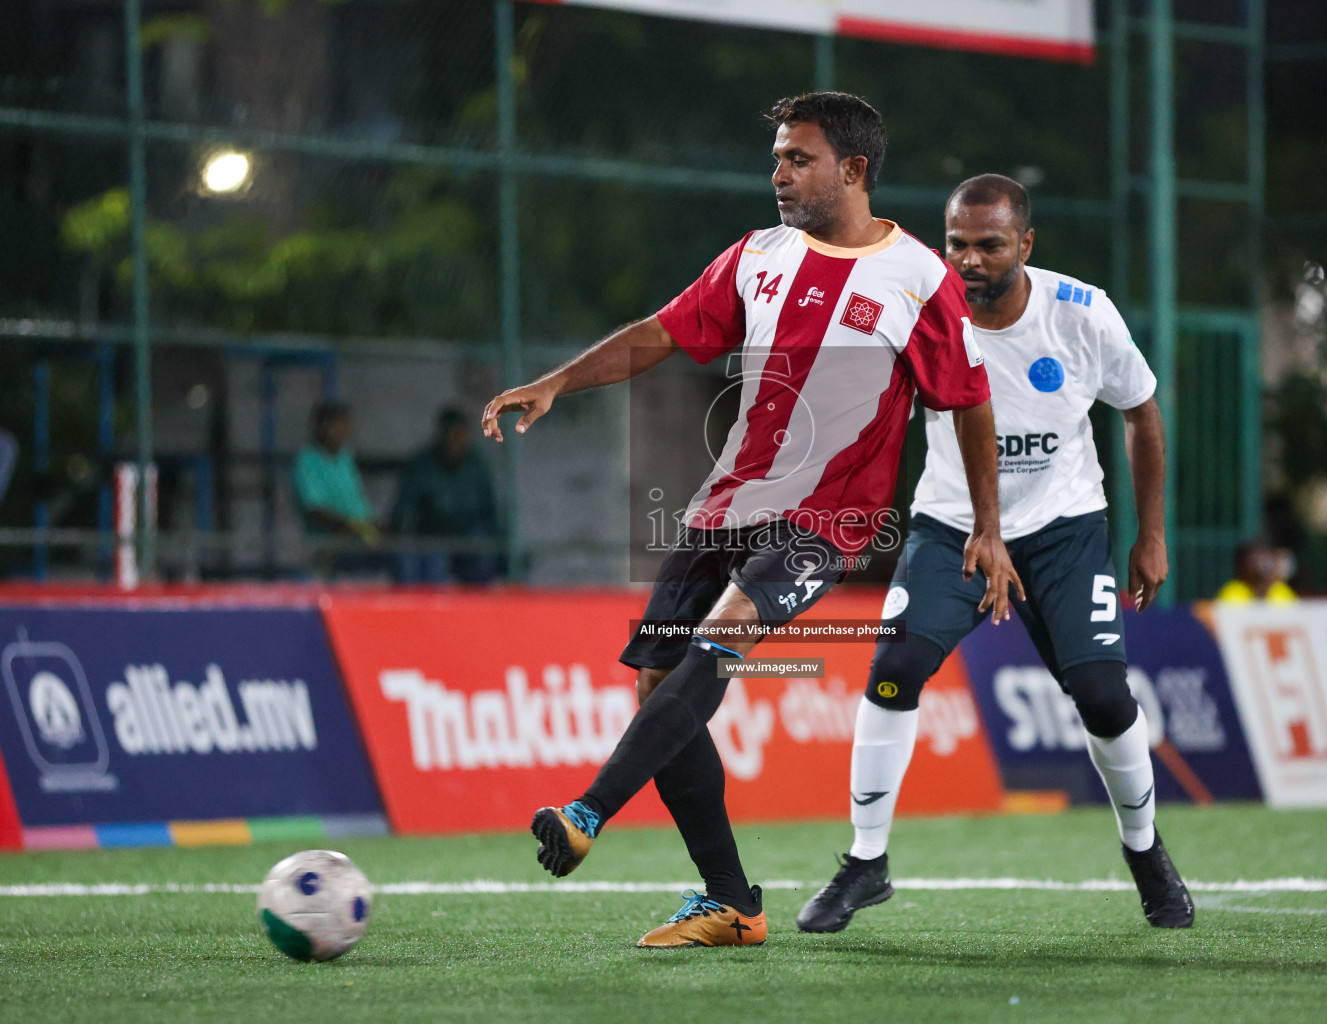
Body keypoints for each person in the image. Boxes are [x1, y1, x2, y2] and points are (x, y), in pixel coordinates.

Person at [482, 92, 1017, 948]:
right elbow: (662, 333)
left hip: (828, 520)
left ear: (853, 169)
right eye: (776, 157)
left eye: (796, 159)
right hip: (726, 504)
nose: (777, 174)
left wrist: (987, 525)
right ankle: (732, 902)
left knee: (717, 641)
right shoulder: (757, 255)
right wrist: (558, 380)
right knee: (658, 683)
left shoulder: (919, 277)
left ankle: (588, 811)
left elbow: (969, 401)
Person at [796, 173, 1195, 935]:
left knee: (1105, 699)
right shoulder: (919, 312)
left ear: (1026, 245)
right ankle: (865, 862)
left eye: (989, 245)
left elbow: (1141, 414)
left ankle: (1146, 853)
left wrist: (1150, 534)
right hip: (952, 528)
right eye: (957, 245)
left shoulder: (1083, 314)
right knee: (893, 672)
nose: (969, 260)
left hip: (1064, 529)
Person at [391, 407, 498, 583]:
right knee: (432, 563)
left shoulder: (476, 463)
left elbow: (489, 509)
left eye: (463, 434)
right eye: (454, 434)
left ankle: (478, 606)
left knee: (482, 551)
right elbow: (402, 510)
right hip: (433, 535)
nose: (459, 440)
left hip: (469, 535)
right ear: (442, 435)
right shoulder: (422, 464)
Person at [292, 401, 378, 547]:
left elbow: (357, 503)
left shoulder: (345, 458)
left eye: (346, 426)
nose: (345, 432)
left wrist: (372, 528)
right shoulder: (306, 462)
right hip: (331, 544)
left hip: (361, 538)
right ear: (323, 427)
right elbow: (315, 512)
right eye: (340, 426)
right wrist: (351, 528)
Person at [1214, 538, 1298, 604]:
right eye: (1255, 560)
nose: (1262, 566)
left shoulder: (1281, 592)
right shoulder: (1233, 593)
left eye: (1265, 559)